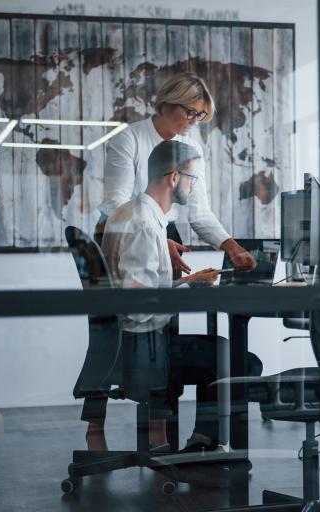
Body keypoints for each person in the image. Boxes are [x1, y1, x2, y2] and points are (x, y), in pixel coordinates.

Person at [89, 140, 262, 452]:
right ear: (173, 178)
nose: (193, 186)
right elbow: (139, 305)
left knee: (222, 351)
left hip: (127, 345)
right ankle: (203, 443)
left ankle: (200, 442)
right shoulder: (143, 224)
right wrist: (190, 282)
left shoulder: (129, 213)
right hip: (146, 351)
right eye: (192, 178)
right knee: (242, 362)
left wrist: (184, 279)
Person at [98, 72, 257, 274]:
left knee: (169, 301)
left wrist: (232, 247)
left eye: (199, 115)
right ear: (165, 105)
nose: (194, 121)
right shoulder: (129, 139)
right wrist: (156, 240)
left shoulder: (192, 149)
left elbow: (199, 212)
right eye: (190, 112)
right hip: (122, 232)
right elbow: (117, 203)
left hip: (164, 232)